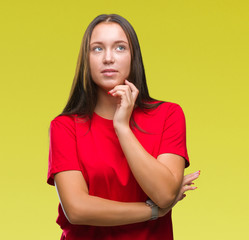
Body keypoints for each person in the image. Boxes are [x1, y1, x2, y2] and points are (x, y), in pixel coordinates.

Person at [47, 14, 199, 240]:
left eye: (120, 48)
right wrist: (152, 211)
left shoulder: (168, 115)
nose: (108, 58)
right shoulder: (65, 126)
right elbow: (77, 209)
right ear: (86, 59)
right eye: (97, 49)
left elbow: (165, 193)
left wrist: (122, 127)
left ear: (133, 57)